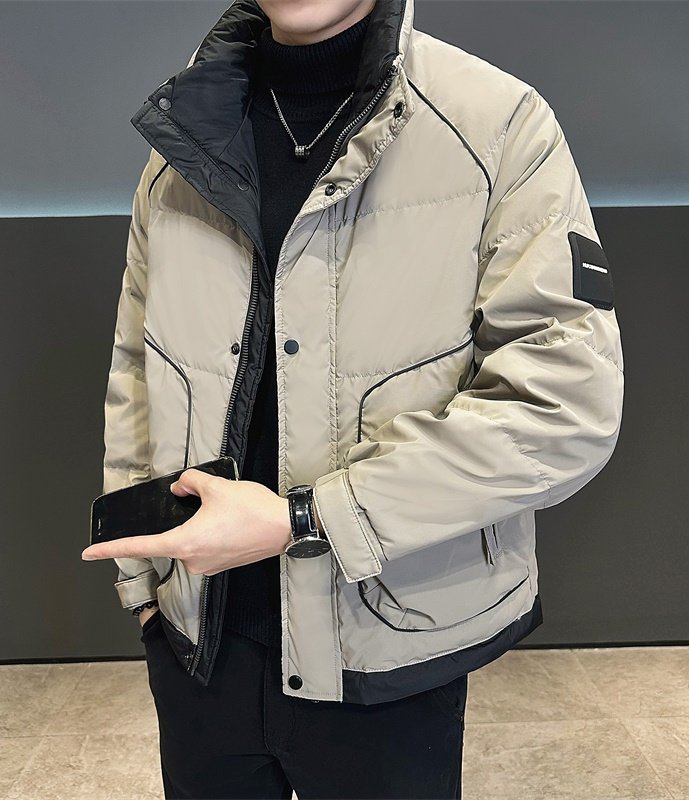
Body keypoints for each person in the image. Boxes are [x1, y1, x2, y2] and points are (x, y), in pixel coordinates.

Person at [81, 0, 624, 797]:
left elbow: (563, 405)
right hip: (201, 643)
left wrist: (308, 518)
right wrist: (144, 585)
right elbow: (139, 367)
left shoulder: (496, 124)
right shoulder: (182, 139)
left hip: (391, 649)